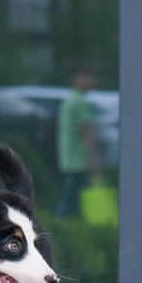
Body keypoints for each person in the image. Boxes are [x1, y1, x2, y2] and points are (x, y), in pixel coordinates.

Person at [55, 69, 101, 217]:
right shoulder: (80, 103)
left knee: (73, 200)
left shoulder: (68, 101)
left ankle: (63, 223)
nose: (92, 81)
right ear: (78, 79)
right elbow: (86, 132)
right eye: (88, 77)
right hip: (79, 160)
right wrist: (94, 160)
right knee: (72, 200)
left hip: (69, 158)